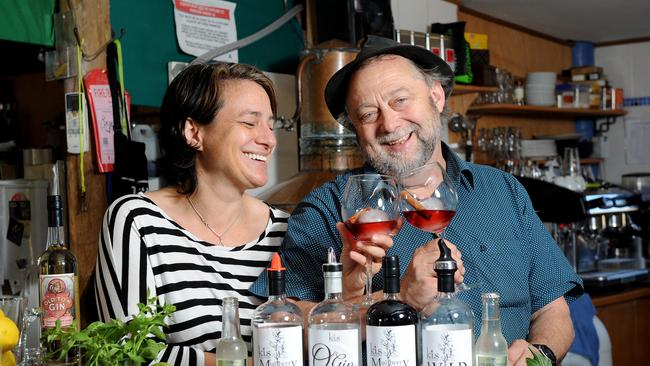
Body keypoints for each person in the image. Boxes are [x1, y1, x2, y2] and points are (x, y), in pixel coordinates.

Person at [249, 36, 583, 366]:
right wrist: (397, 298)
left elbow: (553, 308)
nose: (389, 124)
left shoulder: (502, 189)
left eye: (400, 101)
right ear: (356, 132)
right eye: (368, 115)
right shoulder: (328, 210)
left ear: (436, 97)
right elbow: (283, 324)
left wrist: (539, 356)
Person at [94, 63, 289, 366]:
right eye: (250, 123)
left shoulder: (285, 231)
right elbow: (127, 352)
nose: (268, 139)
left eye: (271, 125)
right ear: (193, 132)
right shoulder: (138, 221)